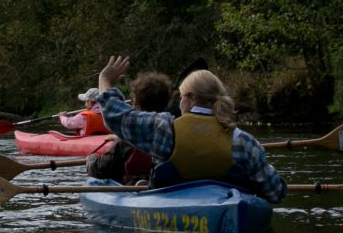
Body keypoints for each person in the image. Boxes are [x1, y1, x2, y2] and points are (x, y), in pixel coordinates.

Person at [90, 55, 287, 202]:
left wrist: (104, 79)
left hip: (174, 212)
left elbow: (116, 115)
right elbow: (275, 193)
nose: (180, 102)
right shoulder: (244, 141)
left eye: (182, 96)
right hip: (229, 211)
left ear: (191, 98)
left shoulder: (165, 130)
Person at [87, 71, 171, 182]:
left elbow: (100, 170)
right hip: (163, 180)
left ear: (137, 105)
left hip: (135, 184)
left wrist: (91, 159)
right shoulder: (172, 126)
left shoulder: (126, 141)